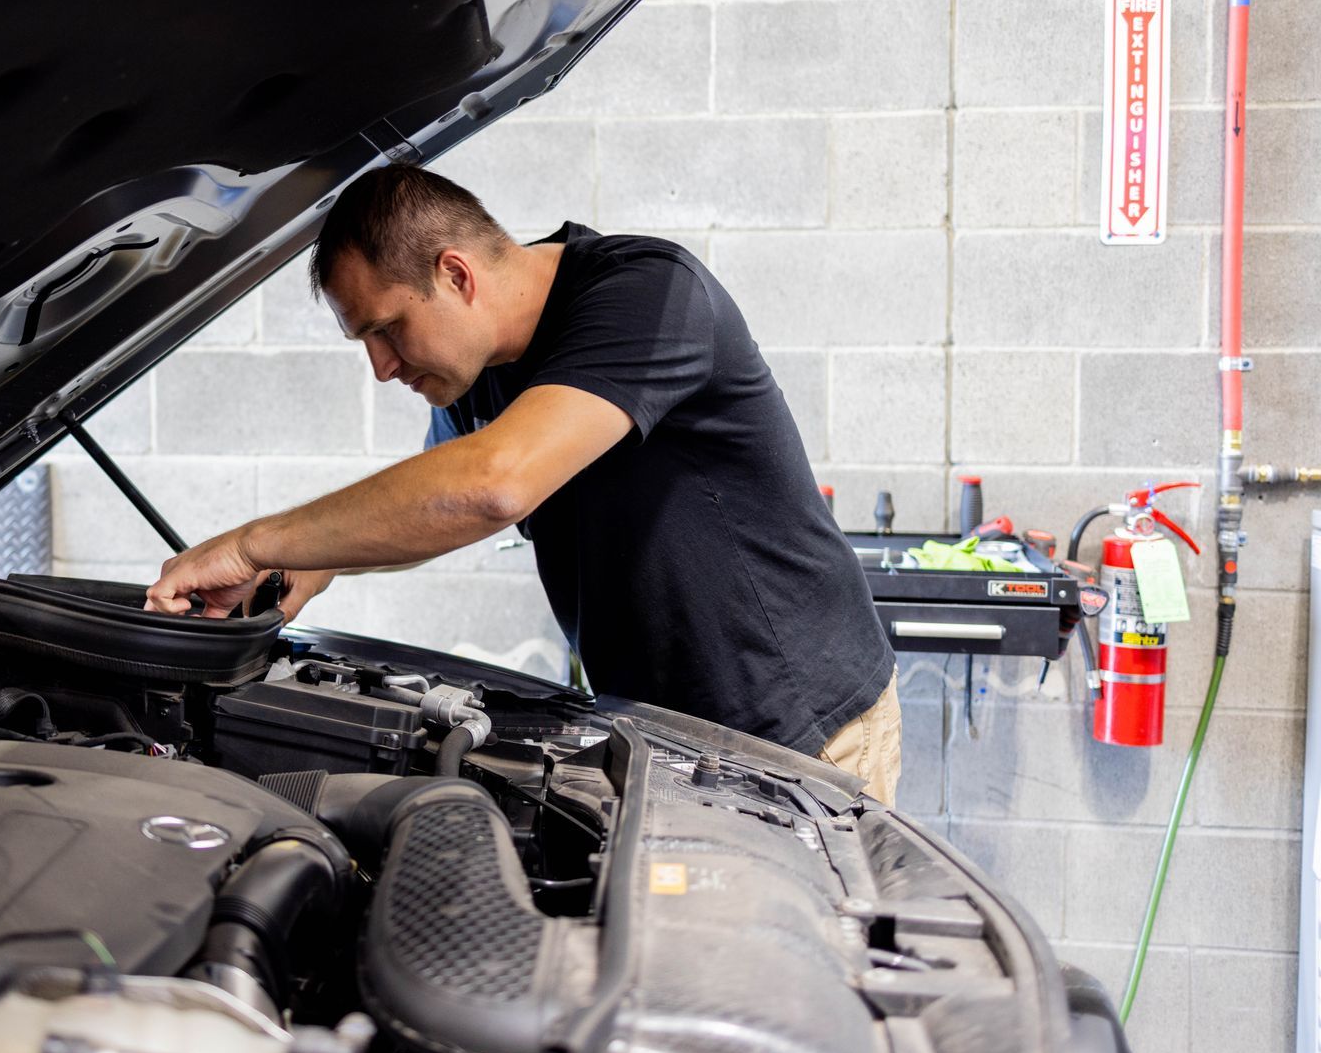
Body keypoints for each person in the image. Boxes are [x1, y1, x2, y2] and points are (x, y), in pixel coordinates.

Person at [143, 164, 901, 802]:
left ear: (456, 274)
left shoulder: (650, 296)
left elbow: (493, 484)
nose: (381, 367)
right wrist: (309, 563)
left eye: (386, 329)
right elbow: (436, 502)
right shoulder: (476, 372)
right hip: (672, 736)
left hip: (803, 732)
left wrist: (248, 543)